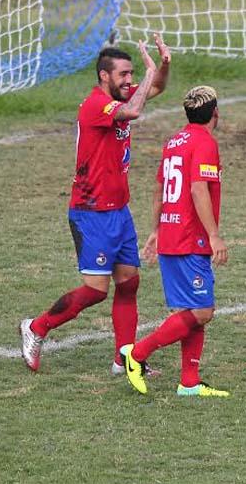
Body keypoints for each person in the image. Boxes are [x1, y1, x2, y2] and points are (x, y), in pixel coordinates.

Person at [19, 36, 170, 374]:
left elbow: (157, 87)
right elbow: (134, 111)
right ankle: (36, 327)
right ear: (104, 76)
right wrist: (148, 72)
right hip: (91, 212)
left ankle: (124, 360)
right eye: (123, 74)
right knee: (96, 290)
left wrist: (163, 65)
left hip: (119, 211)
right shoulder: (95, 105)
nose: (129, 80)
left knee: (129, 282)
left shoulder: (120, 96)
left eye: (132, 74)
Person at [121, 86, 230, 397]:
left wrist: (156, 230)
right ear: (215, 112)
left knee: (194, 309)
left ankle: (189, 383)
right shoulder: (205, 142)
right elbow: (197, 188)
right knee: (203, 311)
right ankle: (137, 354)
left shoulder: (174, 141)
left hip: (172, 233)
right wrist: (214, 235)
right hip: (189, 237)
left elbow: (159, 189)